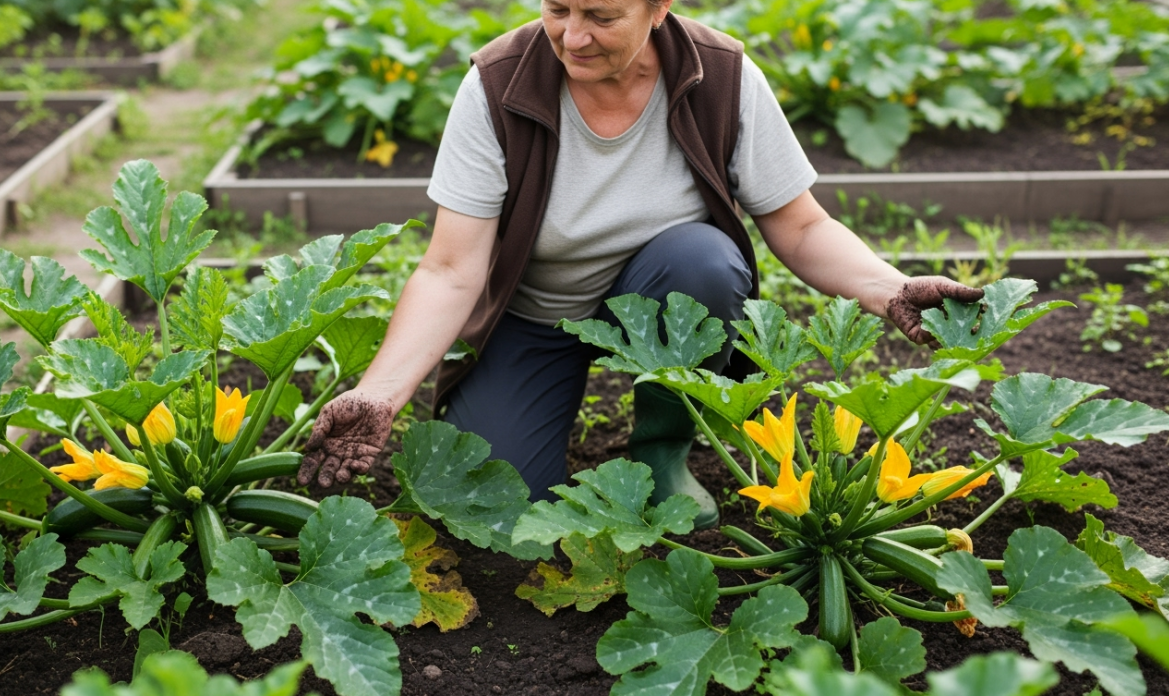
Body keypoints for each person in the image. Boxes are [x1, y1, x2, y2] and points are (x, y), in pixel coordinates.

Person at [297, 0, 983, 529]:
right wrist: (382, 392)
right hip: (535, 317)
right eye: (557, 9)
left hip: (662, 297)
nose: (571, 36)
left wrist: (886, 286)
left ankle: (662, 449)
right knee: (497, 510)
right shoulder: (498, 86)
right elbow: (451, 269)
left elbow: (799, 225)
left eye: (601, 15)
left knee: (704, 260)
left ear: (659, 9)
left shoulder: (721, 75)